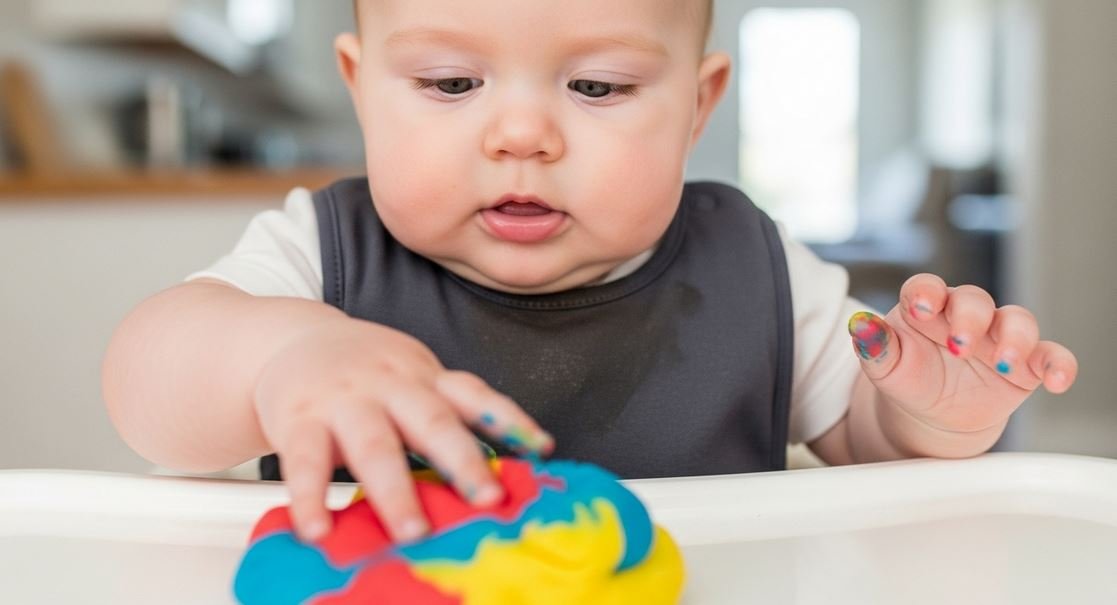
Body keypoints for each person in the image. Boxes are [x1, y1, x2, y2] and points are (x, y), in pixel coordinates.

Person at [102, 0, 1077, 548]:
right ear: (363, 90)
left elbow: (870, 452)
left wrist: (935, 413)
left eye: (597, 87)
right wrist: (284, 354)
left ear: (695, 108)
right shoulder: (324, 254)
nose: (521, 133)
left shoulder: (752, 263)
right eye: (450, 84)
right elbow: (149, 393)